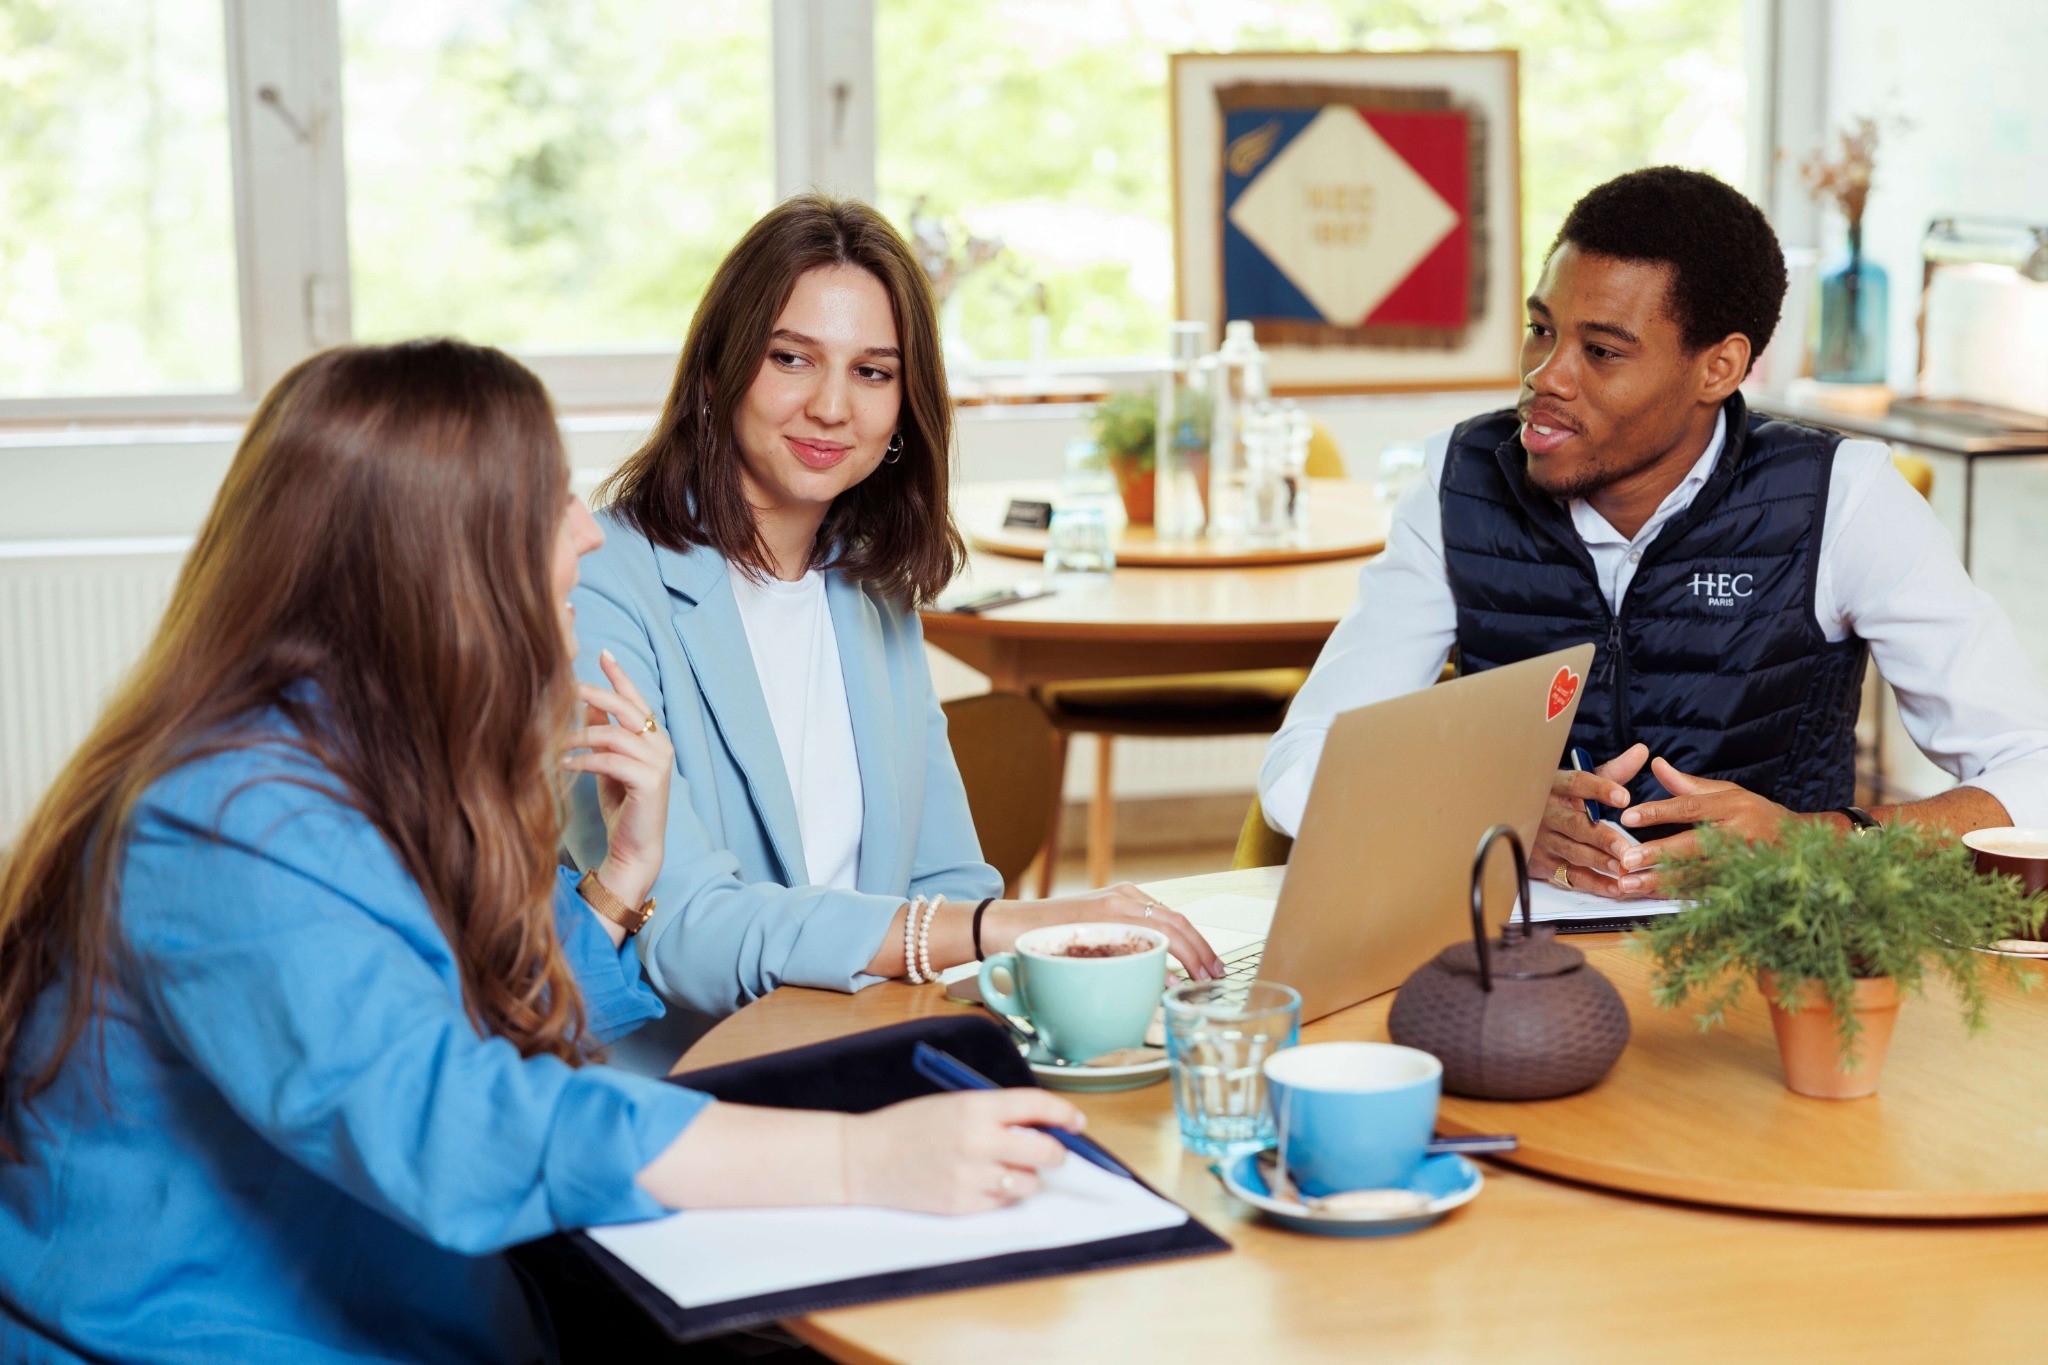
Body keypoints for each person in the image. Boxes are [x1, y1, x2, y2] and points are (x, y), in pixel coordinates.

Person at [0, 340, 1083, 1364]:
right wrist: (860, 1162)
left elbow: (448, 1013)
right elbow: (451, 1119)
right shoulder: (227, 822)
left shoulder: (350, 748)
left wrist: (617, 880)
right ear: (438, 556)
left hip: (438, 1298)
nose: (588, 532)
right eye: (551, 501)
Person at [1260, 167, 2048, 899]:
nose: (1546, 377)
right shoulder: (1458, 480)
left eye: (1601, 351)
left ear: (1718, 369)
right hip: (1521, 963)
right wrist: (1487, 814)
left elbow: (2034, 772)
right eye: (1542, 330)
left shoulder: (1841, 496)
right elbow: (1299, 767)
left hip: (1770, 961)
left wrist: (1817, 843)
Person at [566, 193, 1224, 1039]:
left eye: (873, 372)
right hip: (701, 1079)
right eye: (792, 358)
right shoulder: (604, 586)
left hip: (875, 1041)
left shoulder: (868, 580)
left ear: (904, 408)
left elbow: (948, 879)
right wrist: (990, 930)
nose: (833, 407)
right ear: (716, 373)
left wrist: (1075, 971)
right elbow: (684, 932)